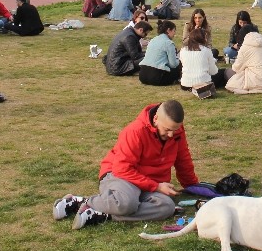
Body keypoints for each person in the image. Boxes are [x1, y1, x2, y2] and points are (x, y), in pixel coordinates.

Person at [54, 100, 199, 229]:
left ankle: (102, 214)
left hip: (148, 182)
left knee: (166, 207)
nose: (171, 135)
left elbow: (183, 160)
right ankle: (80, 202)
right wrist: (156, 186)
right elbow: (122, 169)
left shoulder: (176, 131)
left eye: (175, 130)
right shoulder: (135, 131)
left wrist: (193, 186)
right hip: (121, 176)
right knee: (126, 203)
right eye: (167, 130)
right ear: (155, 119)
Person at [139, 21, 181, 86]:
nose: (174, 34)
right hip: (157, 77)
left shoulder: (153, 40)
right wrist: (179, 60)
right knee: (178, 66)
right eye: (174, 31)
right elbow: (173, 65)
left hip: (142, 75)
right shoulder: (169, 43)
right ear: (168, 30)